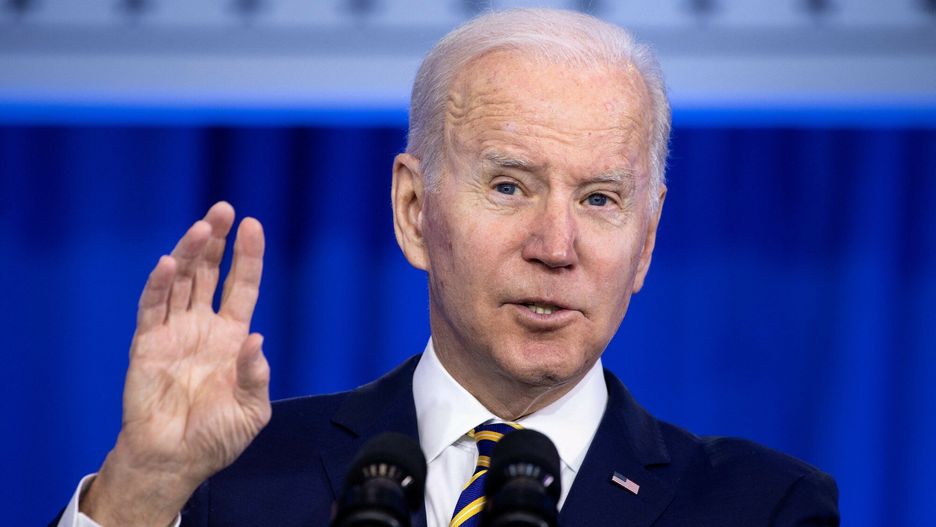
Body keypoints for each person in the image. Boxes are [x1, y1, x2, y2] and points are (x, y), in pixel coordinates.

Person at [54, 8, 839, 527]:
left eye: (600, 199)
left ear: (648, 239)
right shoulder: (233, 478)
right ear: (413, 210)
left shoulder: (761, 506)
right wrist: (145, 486)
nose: (556, 245)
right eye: (509, 186)